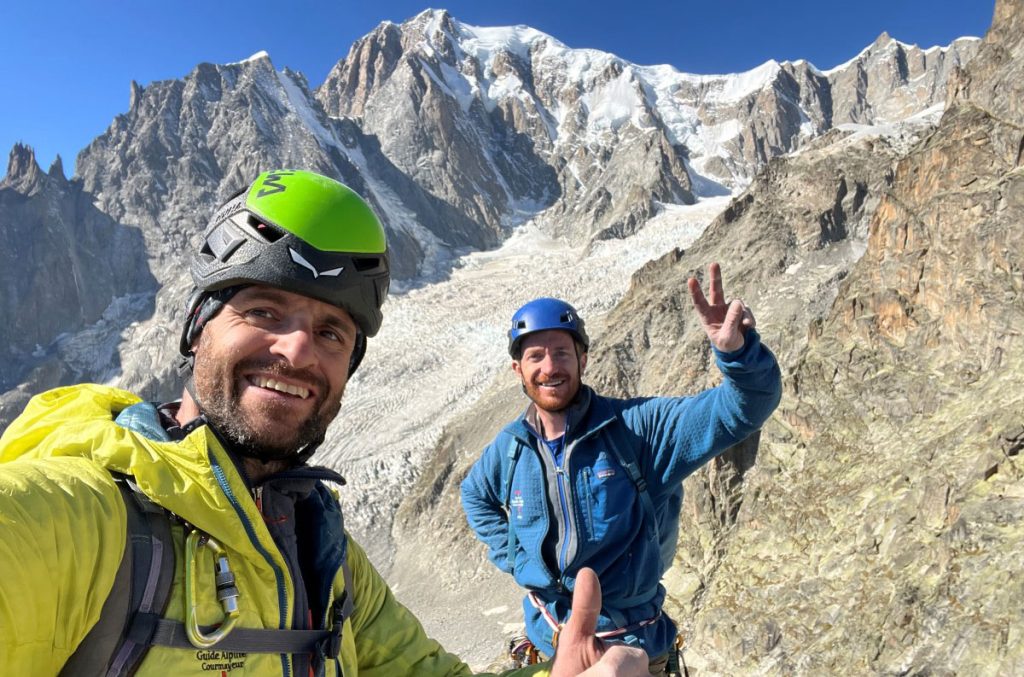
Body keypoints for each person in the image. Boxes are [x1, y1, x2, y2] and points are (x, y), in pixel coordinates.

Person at [0, 169, 649, 677]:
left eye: (330, 331)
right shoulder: (79, 517)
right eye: (262, 309)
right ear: (197, 325)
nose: (297, 350)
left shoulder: (320, 553)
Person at [460, 265, 783, 675]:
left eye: (562, 352)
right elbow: (475, 494)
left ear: (583, 359)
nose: (550, 367)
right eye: (535, 356)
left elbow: (744, 409)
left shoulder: (639, 430)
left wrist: (738, 355)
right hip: (548, 647)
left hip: (632, 654)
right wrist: (518, 558)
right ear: (517, 370)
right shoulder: (512, 447)